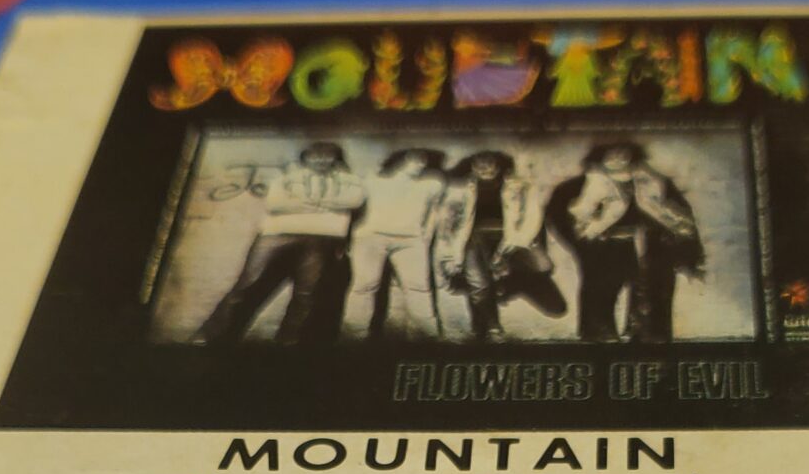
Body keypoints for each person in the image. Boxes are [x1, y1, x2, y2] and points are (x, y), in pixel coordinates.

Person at [196, 142, 366, 344]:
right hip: (276, 236)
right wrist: (328, 204)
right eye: (315, 155)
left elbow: (354, 201)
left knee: (307, 294)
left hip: (323, 239)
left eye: (327, 156)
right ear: (305, 158)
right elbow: (275, 203)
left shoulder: (351, 180)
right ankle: (211, 338)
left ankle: (288, 343)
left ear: (336, 159)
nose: (321, 160)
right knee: (248, 285)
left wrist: (302, 202)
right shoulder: (286, 177)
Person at [545, 141, 702, 342]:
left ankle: (650, 341)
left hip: (651, 247)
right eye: (611, 154)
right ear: (600, 156)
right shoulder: (579, 184)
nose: (618, 158)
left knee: (653, 296)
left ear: (633, 155)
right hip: (604, 247)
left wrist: (684, 247)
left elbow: (682, 217)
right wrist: (581, 245)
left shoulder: (654, 181)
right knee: (600, 295)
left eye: (623, 154)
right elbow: (557, 216)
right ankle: (599, 340)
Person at [434, 149, 565, 341]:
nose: (485, 168)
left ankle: (508, 286)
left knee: (549, 286)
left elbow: (533, 218)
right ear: (471, 166)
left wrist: (513, 244)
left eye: (490, 163)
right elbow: (447, 224)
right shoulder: (459, 189)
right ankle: (489, 327)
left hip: (510, 237)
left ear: (499, 165)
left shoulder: (519, 186)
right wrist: (449, 254)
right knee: (478, 283)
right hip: (471, 238)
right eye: (479, 164)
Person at [342, 147, 448, 339]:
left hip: (411, 241)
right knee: (364, 286)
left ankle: (426, 338)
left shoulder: (433, 183)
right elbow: (354, 209)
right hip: (371, 238)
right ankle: (354, 336)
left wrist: (426, 237)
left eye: (423, 159)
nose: (420, 164)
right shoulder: (372, 179)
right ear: (399, 158)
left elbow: (434, 213)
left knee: (418, 288)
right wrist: (350, 238)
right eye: (414, 159)